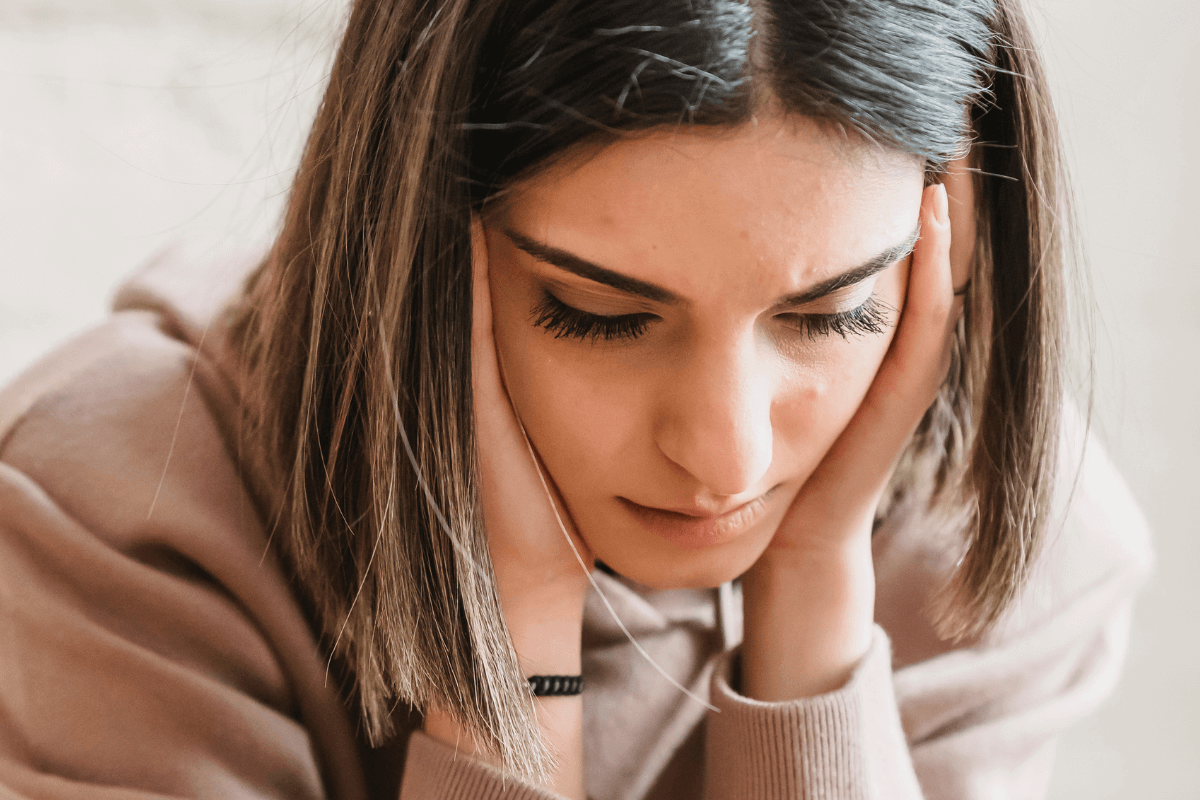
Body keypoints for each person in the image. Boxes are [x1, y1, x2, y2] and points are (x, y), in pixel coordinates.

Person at [0, 0, 1152, 798]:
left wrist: (814, 625)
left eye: (830, 312)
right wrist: (504, 675)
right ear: (413, 237)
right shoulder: (120, 526)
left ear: (939, 247)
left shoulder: (1011, 541)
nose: (725, 453)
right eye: (599, 315)